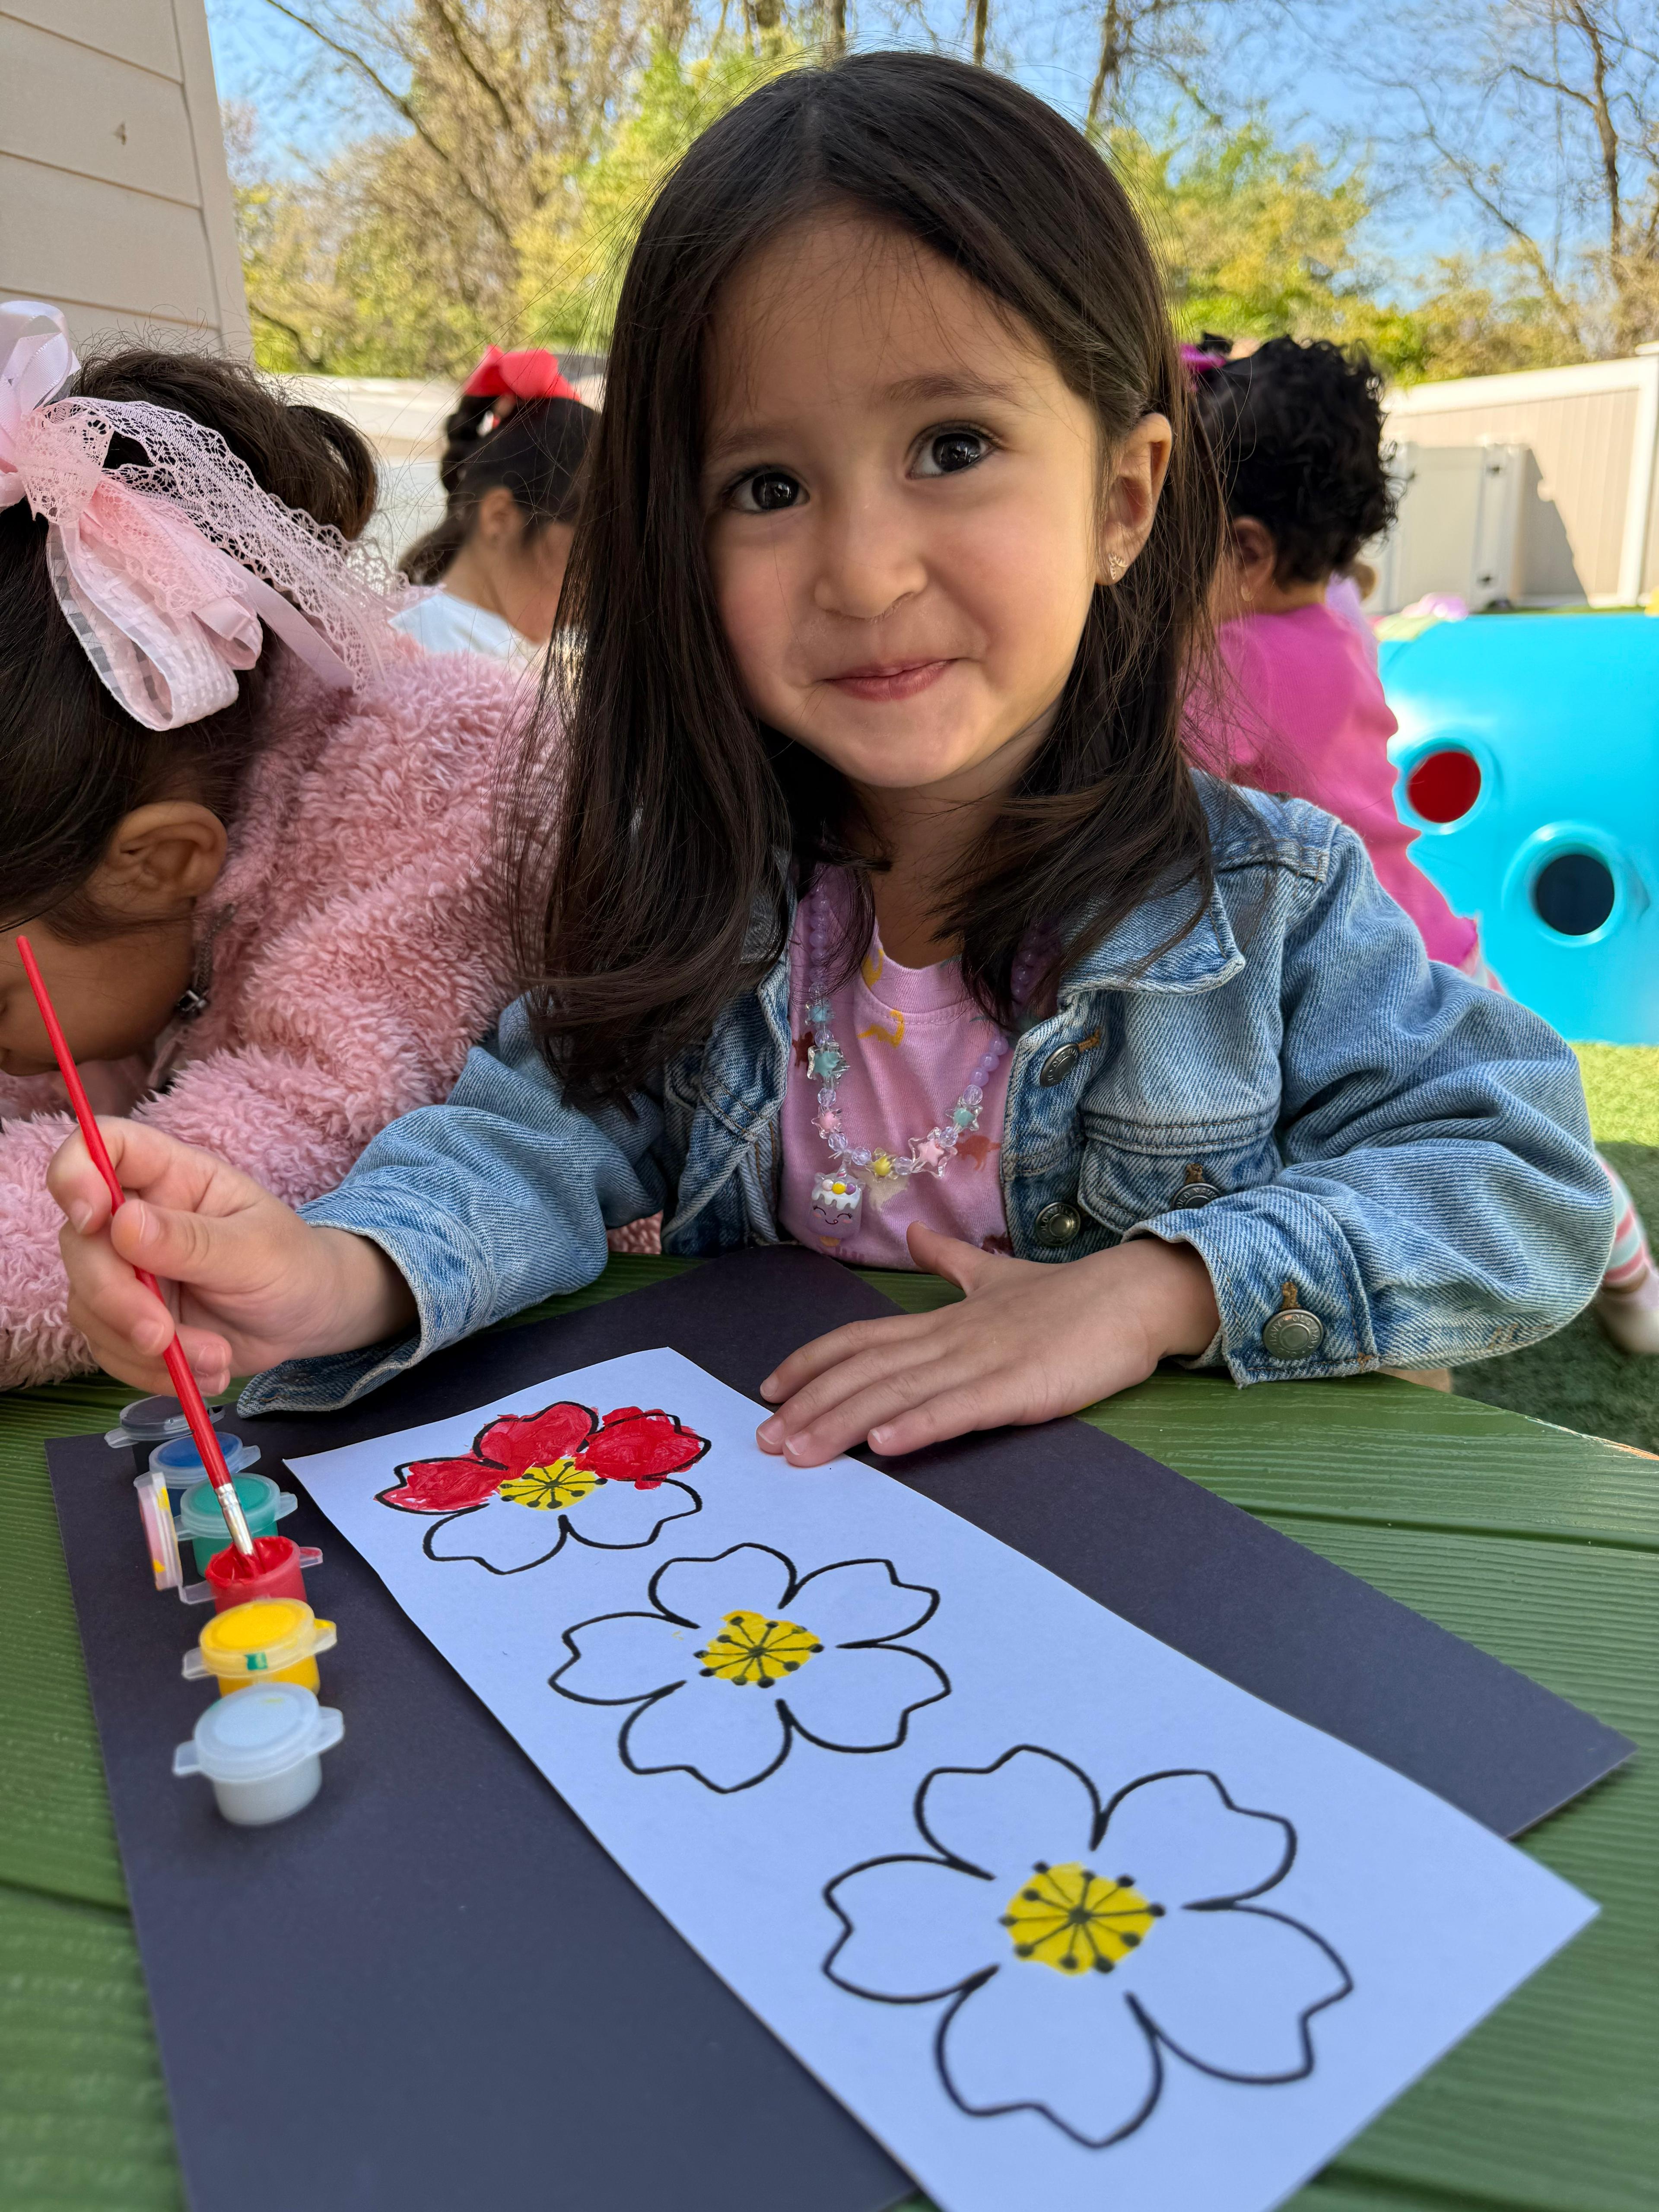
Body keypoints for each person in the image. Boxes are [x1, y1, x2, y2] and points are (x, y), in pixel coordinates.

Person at [47, 57, 1613, 1466]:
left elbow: (1527, 1177)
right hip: (812, 1618)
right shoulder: (711, 906)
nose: (863, 569)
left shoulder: (1269, 907)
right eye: (769, 482)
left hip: (1202, 1626)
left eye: (952, 448)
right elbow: (530, 1139)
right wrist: (333, 1273)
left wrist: (1151, 1293)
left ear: (1125, 497)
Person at [0, 303, 523, 1384]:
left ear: (159, 863)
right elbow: (53, 1101)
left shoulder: (432, 783)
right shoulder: (109, 890)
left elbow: (285, 1150)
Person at [1191, 337, 1658, 1355]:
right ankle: (1628, 1279)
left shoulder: (1237, 661)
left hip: (1382, 968)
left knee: (1508, 1144)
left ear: (1247, 552)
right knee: (1518, 1120)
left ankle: (1623, 1276)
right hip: (1425, 927)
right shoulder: (1335, 614)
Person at [393, 347, 597, 662]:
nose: (591, 592)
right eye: (586, 558)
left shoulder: (458, 635)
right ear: (499, 517)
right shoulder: (426, 650)